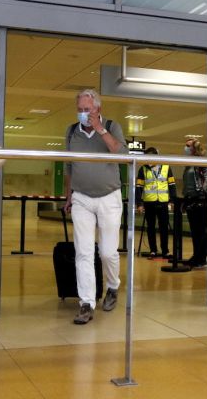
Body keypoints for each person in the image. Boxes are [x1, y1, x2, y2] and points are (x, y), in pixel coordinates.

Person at [64, 89, 128, 325]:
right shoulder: (71, 131)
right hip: (81, 197)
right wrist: (68, 196)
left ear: (98, 109)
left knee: (107, 252)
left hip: (109, 196)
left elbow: (122, 154)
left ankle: (112, 286)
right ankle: (86, 303)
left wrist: (101, 130)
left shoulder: (113, 126)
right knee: (83, 252)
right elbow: (68, 166)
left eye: (87, 110)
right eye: (80, 110)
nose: (83, 114)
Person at [135, 147, 176, 259]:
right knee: (151, 227)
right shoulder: (143, 169)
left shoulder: (166, 168)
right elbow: (139, 188)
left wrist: (172, 200)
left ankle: (165, 251)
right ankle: (153, 250)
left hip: (163, 203)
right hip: (149, 202)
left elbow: (172, 185)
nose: (147, 160)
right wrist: (139, 204)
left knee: (164, 228)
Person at [182, 138, 207, 269]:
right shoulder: (188, 164)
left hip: (201, 201)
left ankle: (201, 257)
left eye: (187, 146)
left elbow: (206, 182)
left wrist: (203, 195)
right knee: (195, 232)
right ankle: (196, 256)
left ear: (193, 148)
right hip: (190, 200)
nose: (185, 148)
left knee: (201, 231)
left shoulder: (202, 163)